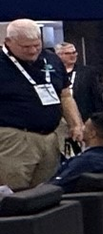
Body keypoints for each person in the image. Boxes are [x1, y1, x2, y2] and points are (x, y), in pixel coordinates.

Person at [1, 18, 83, 191]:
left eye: (36, 45)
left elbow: (65, 95)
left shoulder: (51, 59)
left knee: (46, 190)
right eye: (25, 47)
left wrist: (76, 124)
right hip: (15, 137)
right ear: (8, 42)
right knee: (14, 191)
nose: (32, 51)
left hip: (51, 136)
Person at [52, 115, 103, 186]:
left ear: (92, 134)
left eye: (85, 126)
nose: (82, 128)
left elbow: (55, 186)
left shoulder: (85, 161)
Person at [54, 41, 103, 120]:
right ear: (58, 55)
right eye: (68, 53)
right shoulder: (53, 73)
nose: (72, 56)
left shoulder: (87, 72)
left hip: (84, 115)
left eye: (74, 53)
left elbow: (96, 97)